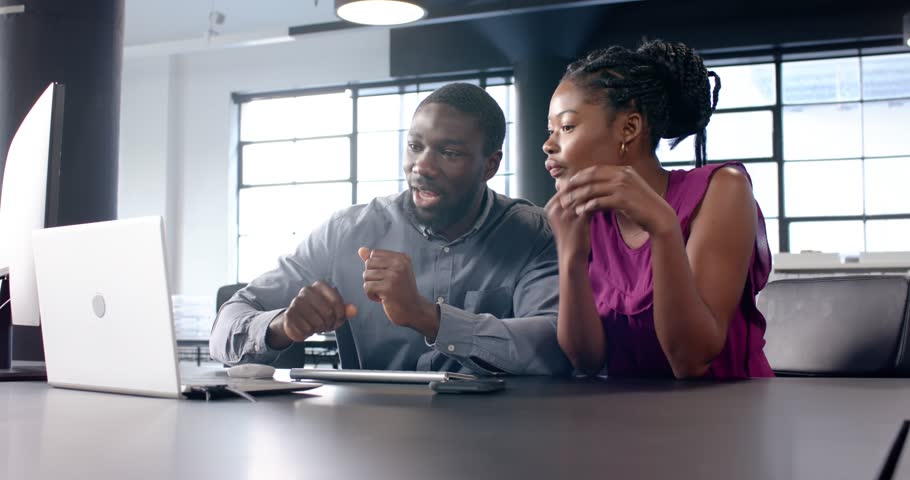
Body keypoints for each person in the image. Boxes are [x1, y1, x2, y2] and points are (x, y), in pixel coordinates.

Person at [211, 82, 570, 375]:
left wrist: (427, 317)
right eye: (415, 146)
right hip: (369, 438)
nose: (422, 166)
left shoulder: (533, 232)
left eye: (450, 153)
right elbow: (227, 324)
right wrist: (281, 327)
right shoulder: (347, 232)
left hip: (500, 440)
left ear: (490, 165)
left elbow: (556, 345)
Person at [542, 40, 774, 379]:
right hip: (633, 421)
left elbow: (691, 360)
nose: (549, 144)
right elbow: (587, 360)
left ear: (629, 128)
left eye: (566, 127)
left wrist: (664, 228)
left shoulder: (723, 188)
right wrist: (571, 257)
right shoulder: (590, 217)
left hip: (728, 416)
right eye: (550, 131)